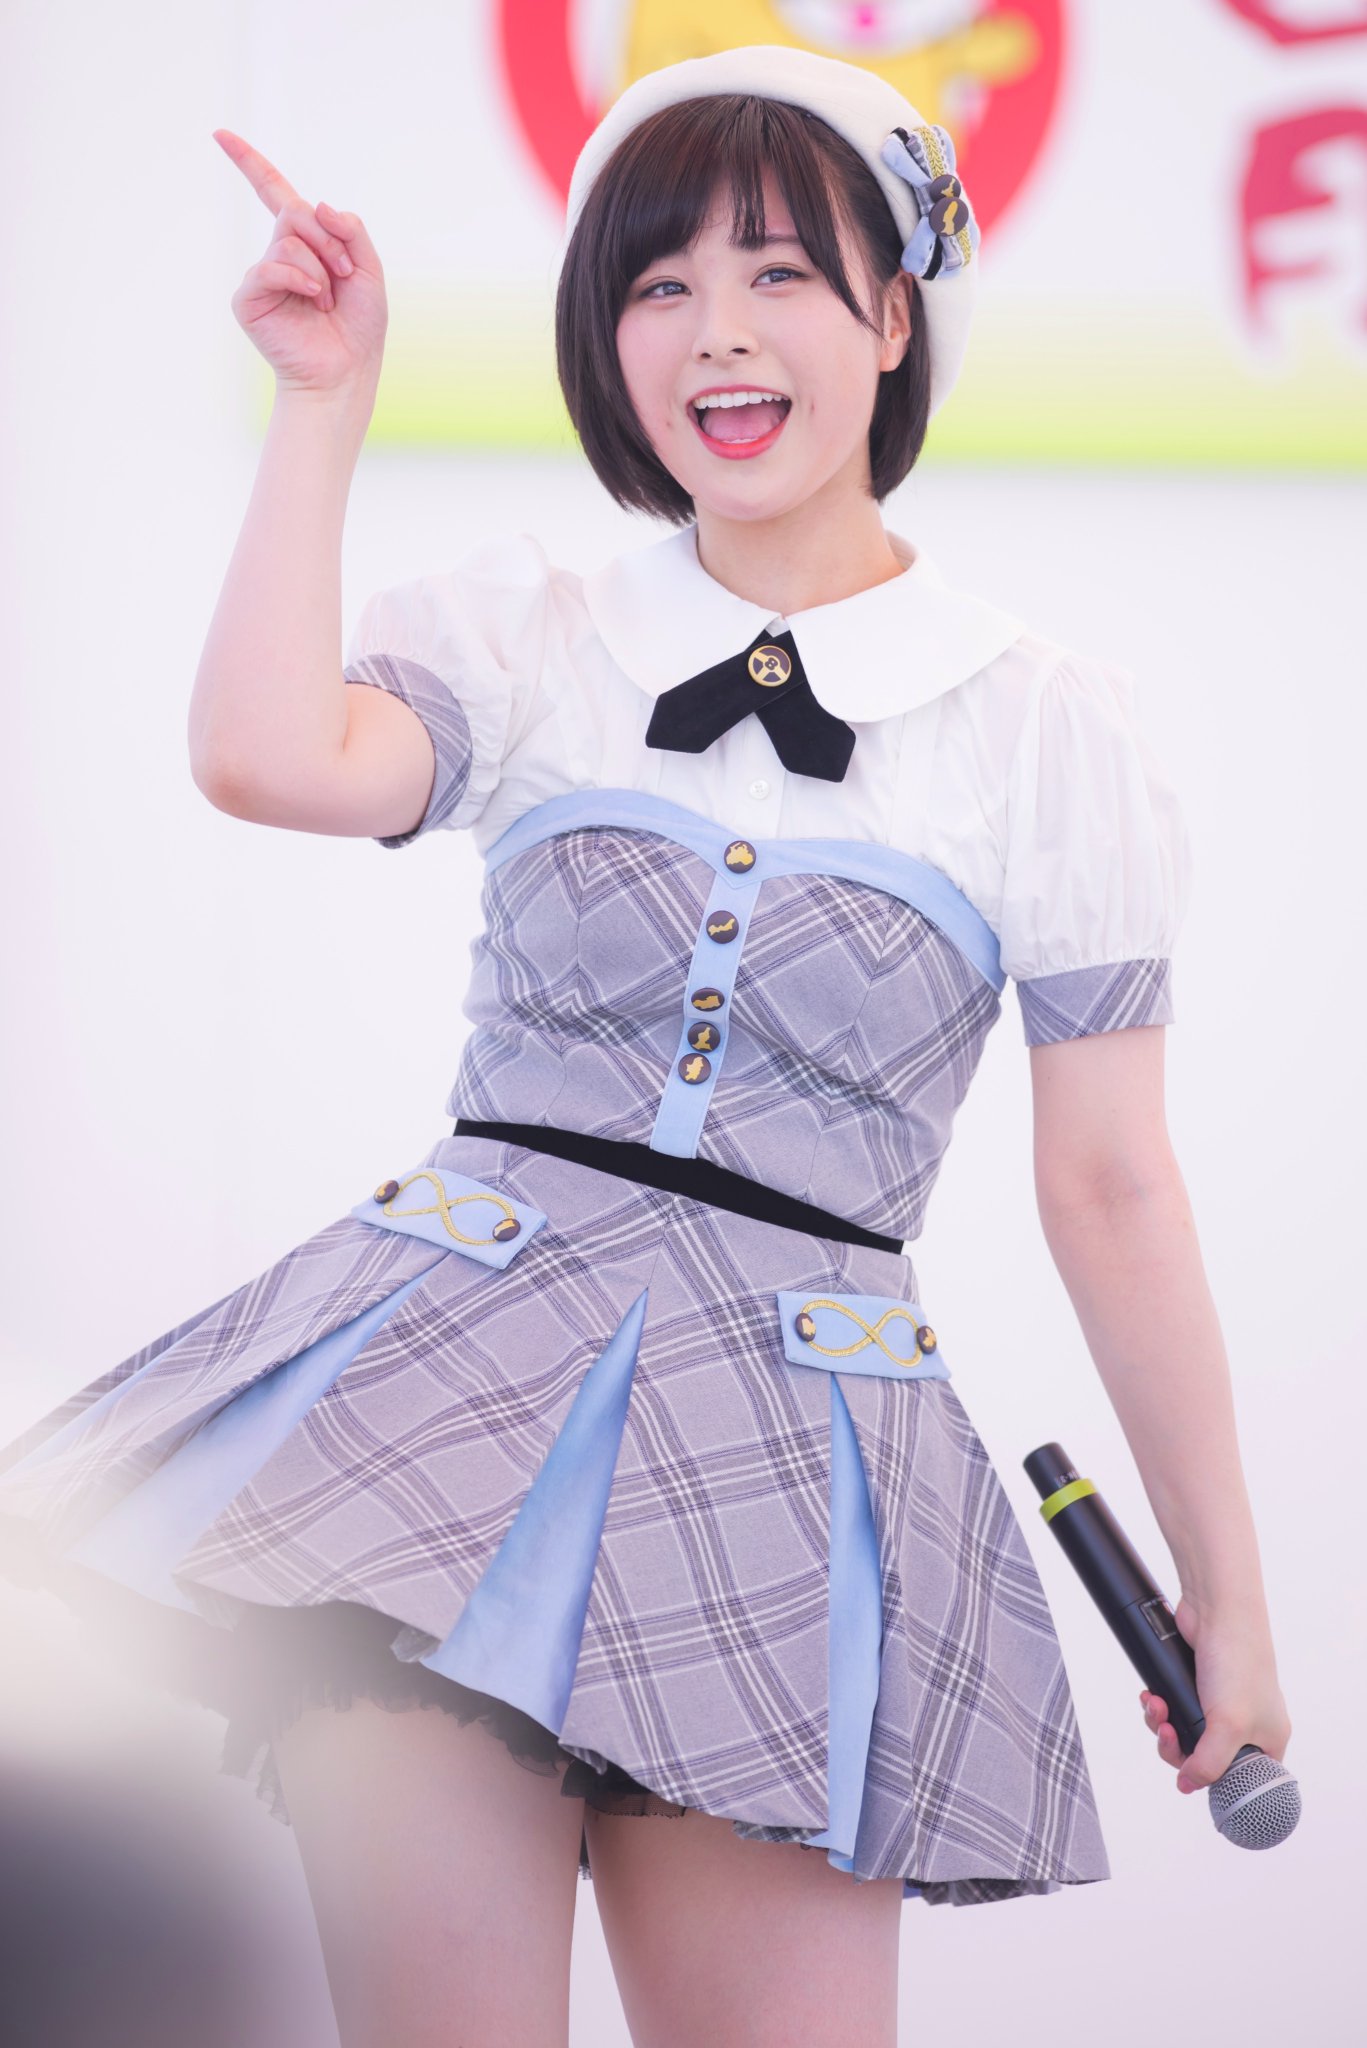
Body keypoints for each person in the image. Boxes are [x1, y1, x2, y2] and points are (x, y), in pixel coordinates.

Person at [0, 42, 1290, 2048]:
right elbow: (265, 754)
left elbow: (1112, 1183)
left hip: (785, 1476)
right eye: (660, 284)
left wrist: (1231, 1591)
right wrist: (323, 401)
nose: (716, 332)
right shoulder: (530, 629)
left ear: (892, 316)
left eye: (779, 274)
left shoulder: (1047, 731)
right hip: (442, 1428)